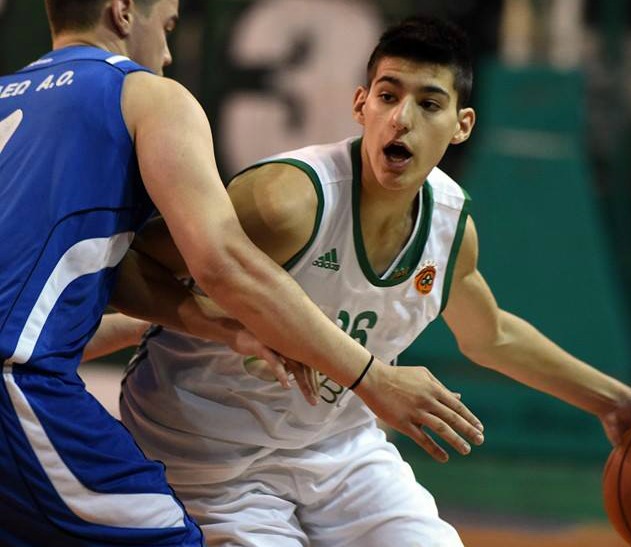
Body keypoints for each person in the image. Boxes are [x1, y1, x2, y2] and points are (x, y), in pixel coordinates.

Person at [85, 16, 631, 547]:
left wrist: (612, 402)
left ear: (461, 125)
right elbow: (124, 266)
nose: (401, 119)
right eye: (388, 96)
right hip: (208, 452)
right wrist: (219, 324)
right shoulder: (286, 203)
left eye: (428, 104)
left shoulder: (450, 229)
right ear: (361, 105)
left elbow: (491, 334)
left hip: (338, 453)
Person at [0, 2, 483, 545]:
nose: (168, 52)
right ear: (124, 11)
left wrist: (196, 325)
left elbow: (54, 300)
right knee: (168, 536)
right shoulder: (147, 94)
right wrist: (369, 375)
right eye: (168, 25)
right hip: (90, 409)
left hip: (329, 451)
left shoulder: (10, 95)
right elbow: (220, 263)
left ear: (460, 123)